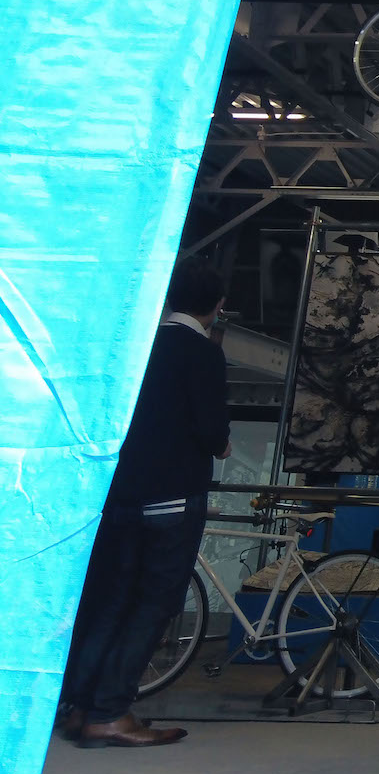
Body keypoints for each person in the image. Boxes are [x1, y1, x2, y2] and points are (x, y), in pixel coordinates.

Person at [57, 259, 231, 748]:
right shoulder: (202, 353)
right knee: (153, 604)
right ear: (218, 306)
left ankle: (78, 707)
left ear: (170, 297)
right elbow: (211, 431)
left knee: (108, 600)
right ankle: (110, 712)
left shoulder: (134, 348)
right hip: (172, 500)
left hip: (119, 495)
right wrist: (222, 446)